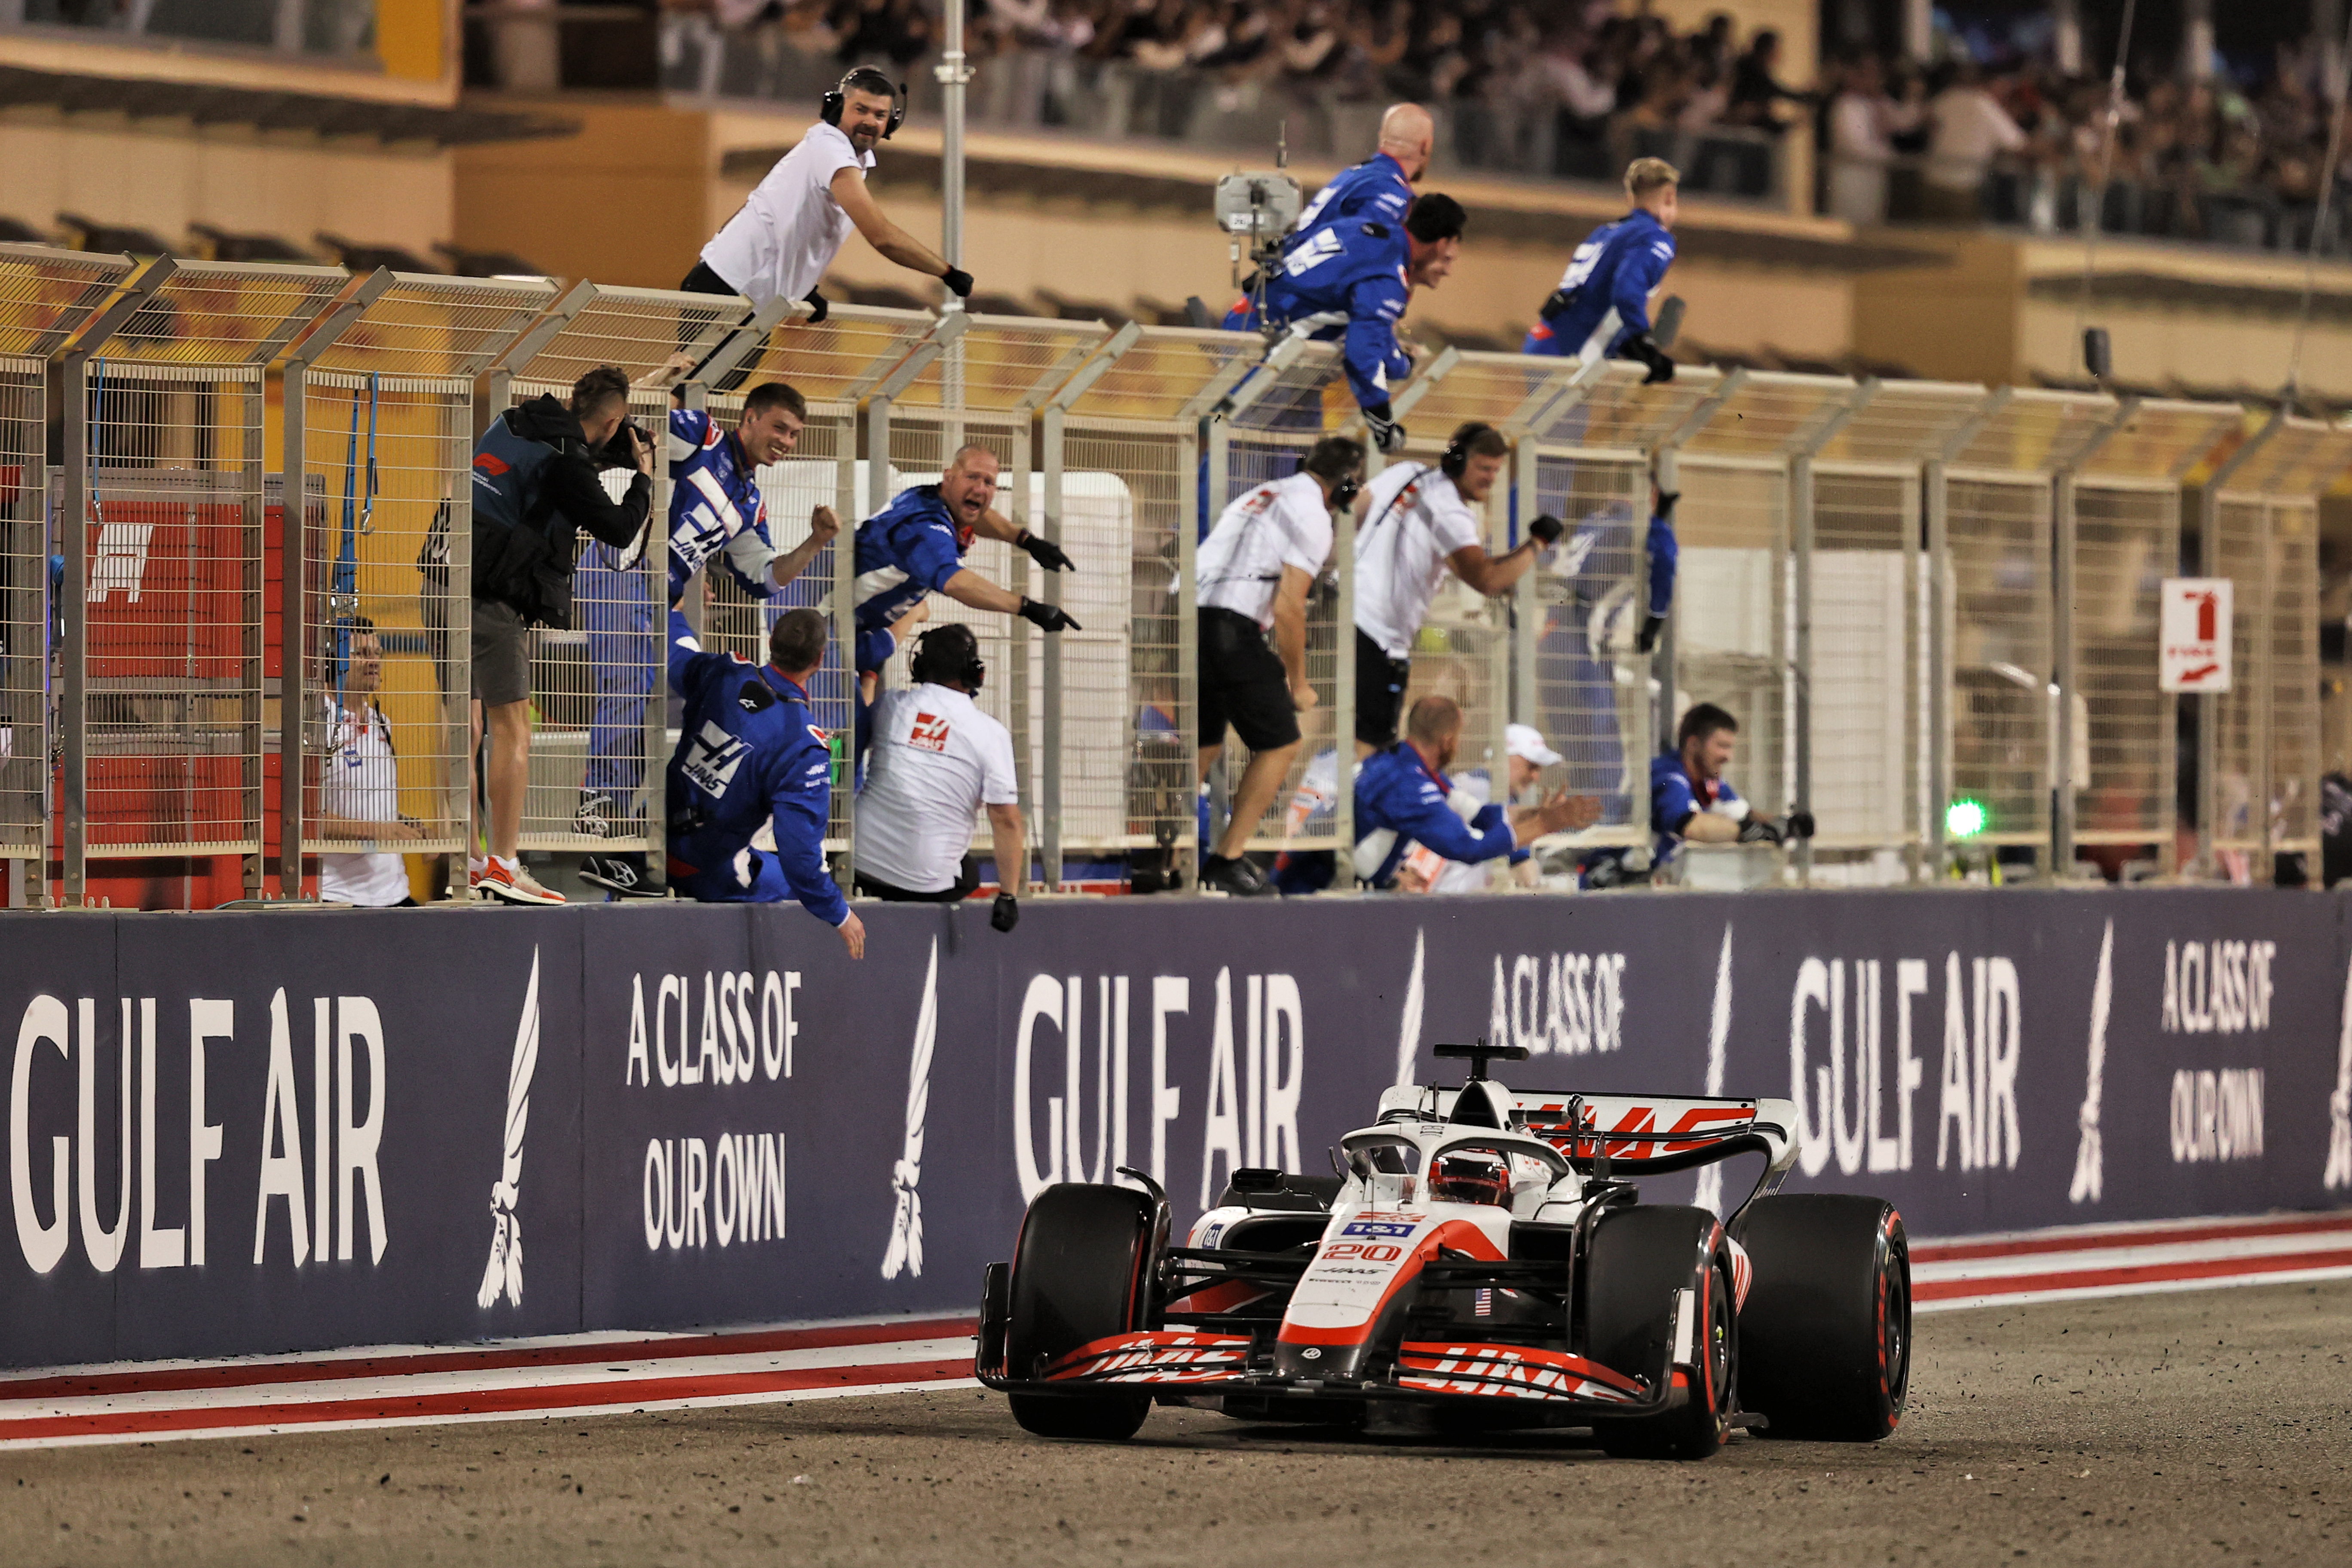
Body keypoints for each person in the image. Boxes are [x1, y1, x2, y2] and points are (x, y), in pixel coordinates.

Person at [576, 380, 835, 858]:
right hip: (620, 565)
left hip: (659, 601)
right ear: (750, 418)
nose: (786, 441)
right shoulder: (703, 436)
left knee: (704, 680)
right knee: (631, 681)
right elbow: (636, 435)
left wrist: (816, 541)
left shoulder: (751, 502)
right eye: (779, 427)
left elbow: (764, 578)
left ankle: (663, 804)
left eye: (796, 434)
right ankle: (600, 802)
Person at [469, 364, 653, 905]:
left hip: (443, 576)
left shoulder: (516, 422)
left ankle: (471, 855)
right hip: (490, 596)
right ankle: (503, 864)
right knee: (515, 731)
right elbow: (619, 530)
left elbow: (562, 473)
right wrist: (643, 476)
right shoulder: (567, 462)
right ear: (614, 419)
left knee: (463, 724)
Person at [1194, 434, 1364, 897]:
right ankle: (1226, 859)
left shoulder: (1264, 493)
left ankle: (1163, 847)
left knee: (1205, 742)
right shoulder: (1314, 517)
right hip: (1231, 626)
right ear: (1347, 486)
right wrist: (1299, 683)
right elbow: (1290, 608)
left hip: (1189, 615)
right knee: (1282, 743)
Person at [681, 64, 974, 321]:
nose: (871, 121)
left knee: (706, 383)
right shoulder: (831, 148)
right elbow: (882, 237)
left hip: (750, 295)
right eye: (861, 110)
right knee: (697, 383)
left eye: (880, 115)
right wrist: (947, 272)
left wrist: (803, 287)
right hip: (730, 286)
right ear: (836, 110)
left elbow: (794, 222)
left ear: (891, 122)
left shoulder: (846, 156)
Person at [662, 603, 866, 957]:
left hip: (654, 838)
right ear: (819, 660)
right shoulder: (803, 744)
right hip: (708, 870)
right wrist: (840, 914)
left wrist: (676, 611)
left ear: (771, 642)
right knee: (805, 881)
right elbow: (800, 857)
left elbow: (677, 654)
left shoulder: (726, 671)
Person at [1352, 422, 1562, 757]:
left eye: (1496, 470)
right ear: (1456, 460)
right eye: (1483, 468)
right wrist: (1536, 545)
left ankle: (1296, 806)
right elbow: (1486, 579)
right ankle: (1348, 809)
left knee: (1318, 726)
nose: (1491, 478)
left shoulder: (1407, 472)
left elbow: (1353, 512)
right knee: (1370, 748)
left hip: (1342, 611)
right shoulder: (1450, 509)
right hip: (1377, 633)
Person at [1225, 193, 1467, 454]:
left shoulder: (1359, 229)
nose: (1449, 271)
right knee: (1238, 459)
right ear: (1442, 245)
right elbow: (1362, 354)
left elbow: (1373, 334)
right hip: (1265, 357)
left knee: (1296, 463)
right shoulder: (1386, 273)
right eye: (1450, 259)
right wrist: (1383, 425)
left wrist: (1400, 366)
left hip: (1250, 332)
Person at [853, 622, 1027, 933]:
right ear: (976, 673)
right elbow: (1007, 821)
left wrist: (868, 678)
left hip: (859, 860)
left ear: (920, 666)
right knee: (969, 873)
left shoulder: (891, 705)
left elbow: (857, 730)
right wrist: (1009, 895)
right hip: (921, 881)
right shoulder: (991, 734)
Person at [851, 444, 1080, 677]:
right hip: (831, 627)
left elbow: (977, 516)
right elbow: (956, 582)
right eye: (972, 477)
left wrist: (1027, 541)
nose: (980, 489)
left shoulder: (931, 499)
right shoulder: (925, 529)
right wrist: (1027, 608)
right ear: (948, 477)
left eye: (989, 482)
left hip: (852, 626)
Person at [1352, 696, 1598, 891]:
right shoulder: (1410, 786)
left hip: (1365, 881)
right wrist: (1546, 823)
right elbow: (1469, 848)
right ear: (1448, 741)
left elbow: (1480, 815)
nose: (1536, 777)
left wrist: (1537, 814)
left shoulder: (1405, 762)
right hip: (1342, 885)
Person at [1523, 157, 1680, 381]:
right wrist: (1644, 342)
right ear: (1669, 196)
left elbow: (1589, 296)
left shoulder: (1606, 232)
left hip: (1546, 342)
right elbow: (1626, 293)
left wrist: (1628, 345)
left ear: (1630, 197)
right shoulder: (1654, 237)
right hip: (1571, 355)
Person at [314, 618, 422, 907]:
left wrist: (407, 824)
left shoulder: (381, 723)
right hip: (339, 898)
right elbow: (303, 817)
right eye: (362, 654)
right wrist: (379, 830)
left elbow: (364, 801)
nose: (374, 662)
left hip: (396, 895)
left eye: (378, 654)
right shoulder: (315, 725)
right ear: (333, 660)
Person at [1650, 702, 1812, 872]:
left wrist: (1785, 825)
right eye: (1722, 746)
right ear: (1693, 745)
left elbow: (1746, 815)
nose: (1729, 757)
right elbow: (1693, 827)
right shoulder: (1669, 777)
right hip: (1639, 881)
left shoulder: (1709, 781)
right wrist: (1749, 833)